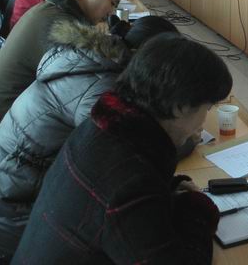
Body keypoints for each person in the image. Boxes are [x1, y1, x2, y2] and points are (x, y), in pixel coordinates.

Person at [0, 16, 178, 258]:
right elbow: (118, 159)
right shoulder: (101, 86)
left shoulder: (90, 61)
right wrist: (176, 138)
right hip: (9, 222)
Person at [13, 34, 232, 264]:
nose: (204, 121)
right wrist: (196, 208)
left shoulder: (101, 127)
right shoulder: (130, 182)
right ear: (180, 107)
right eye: (207, 108)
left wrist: (166, 193)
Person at [0, 0, 128, 153]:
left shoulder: (52, 9)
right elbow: (91, 74)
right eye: (113, 3)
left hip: (4, 125)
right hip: (4, 141)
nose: (112, 12)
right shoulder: (60, 24)